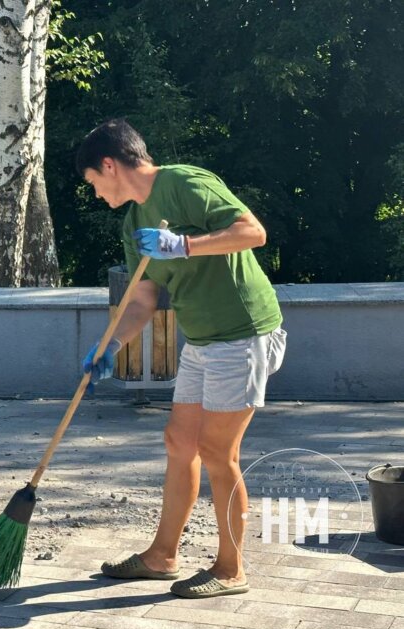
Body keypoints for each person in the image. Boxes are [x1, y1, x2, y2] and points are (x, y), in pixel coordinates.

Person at [76, 118, 286, 599]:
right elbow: (141, 301)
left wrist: (184, 244)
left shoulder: (185, 182)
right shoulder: (134, 223)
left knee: (217, 452)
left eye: (92, 182)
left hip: (244, 331)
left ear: (109, 165)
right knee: (179, 442)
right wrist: (111, 344)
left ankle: (231, 569)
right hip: (203, 339)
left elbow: (252, 232)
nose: (94, 193)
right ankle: (162, 556)